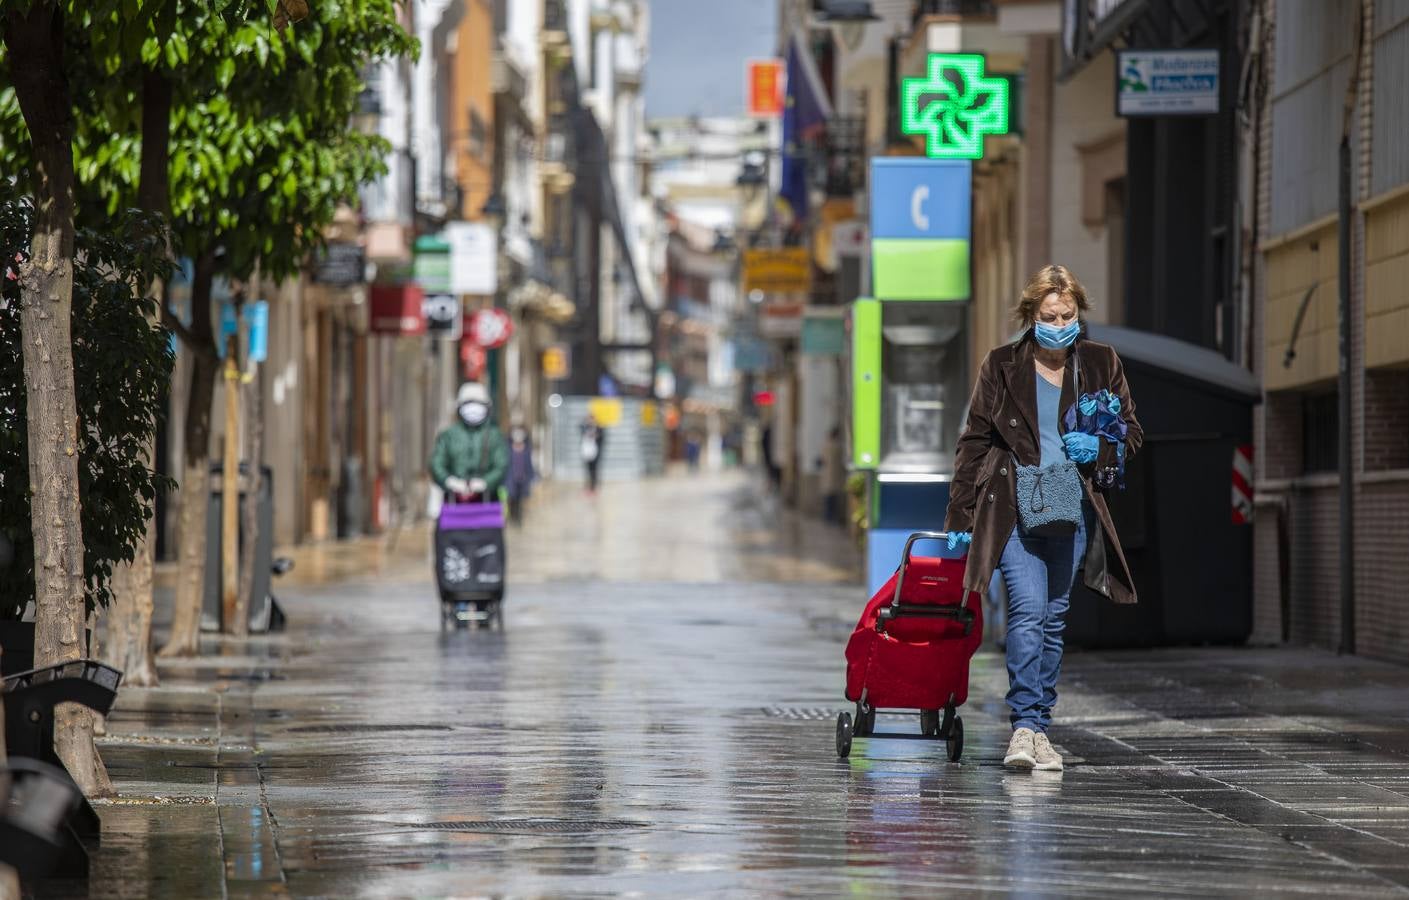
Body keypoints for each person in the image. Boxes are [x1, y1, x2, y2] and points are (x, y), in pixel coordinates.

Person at [942, 264, 1143, 773]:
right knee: (1028, 611)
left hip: (1072, 509)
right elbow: (975, 441)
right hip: (1012, 507)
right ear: (1031, 315)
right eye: (1049, 315)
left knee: (1054, 620)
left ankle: (1041, 728)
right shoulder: (1003, 364)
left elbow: (1132, 434)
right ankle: (1025, 727)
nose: (1059, 323)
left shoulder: (1100, 363)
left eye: (1068, 314)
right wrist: (960, 514)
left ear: (1079, 313)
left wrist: (1098, 446)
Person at [430, 382, 509, 504]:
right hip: (453, 503)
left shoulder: (494, 435)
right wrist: (449, 481)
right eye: (468, 403)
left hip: (487, 503)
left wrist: (485, 483)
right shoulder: (448, 435)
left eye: (478, 404)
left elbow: (501, 465)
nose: (473, 408)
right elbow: (436, 463)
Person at [505, 423, 535, 527]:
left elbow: (529, 464)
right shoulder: (507, 448)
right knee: (511, 498)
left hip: (522, 479)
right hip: (511, 479)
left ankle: (518, 519)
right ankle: (512, 517)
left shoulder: (527, 449)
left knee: (520, 500)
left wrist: (532, 476)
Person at [581, 414, 605, 494]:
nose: (590, 421)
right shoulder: (585, 427)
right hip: (587, 451)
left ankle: (594, 486)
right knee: (588, 469)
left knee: (594, 469)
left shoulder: (598, 428)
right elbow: (580, 428)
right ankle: (588, 485)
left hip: (595, 451)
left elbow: (602, 438)